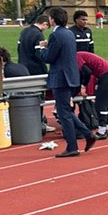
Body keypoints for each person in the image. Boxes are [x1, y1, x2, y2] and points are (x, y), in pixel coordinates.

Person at [44, 9, 97, 158]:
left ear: (53, 19)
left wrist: (42, 49)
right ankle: (87, 134)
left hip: (61, 78)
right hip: (72, 76)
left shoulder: (56, 34)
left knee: (64, 114)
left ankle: (72, 146)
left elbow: (49, 57)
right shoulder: (69, 33)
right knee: (66, 111)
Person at [77, 51, 108, 138]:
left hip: (106, 75)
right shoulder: (80, 55)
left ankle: (102, 131)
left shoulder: (76, 57)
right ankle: (105, 129)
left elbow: (87, 72)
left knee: (100, 104)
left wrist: (83, 85)